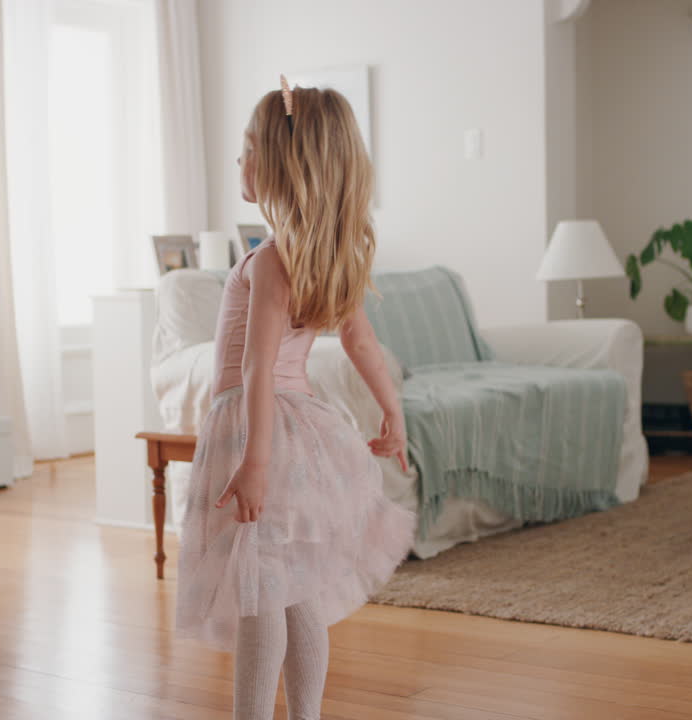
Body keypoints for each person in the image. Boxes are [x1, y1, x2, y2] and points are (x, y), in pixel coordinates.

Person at [173, 76, 416, 720]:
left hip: (255, 431)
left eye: (248, 149)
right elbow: (362, 342)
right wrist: (393, 411)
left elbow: (256, 366)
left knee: (260, 593)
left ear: (280, 166)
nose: (240, 160)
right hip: (302, 430)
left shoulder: (270, 260)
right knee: (294, 590)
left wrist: (253, 461)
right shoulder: (322, 256)